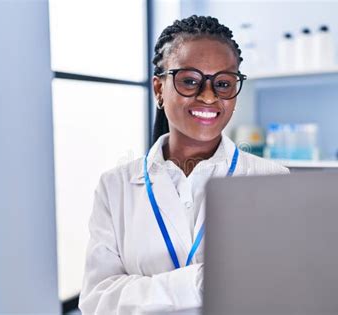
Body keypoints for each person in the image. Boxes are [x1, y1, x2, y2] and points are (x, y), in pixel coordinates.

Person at [79, 15, 289, 314]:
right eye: (189, 81)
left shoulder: (273, 180)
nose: (208, 96)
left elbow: (279, 289)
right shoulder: (116, 186)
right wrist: (203, 281)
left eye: (223, 83)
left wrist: (146, 290)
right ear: (159, 90)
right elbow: (98, 299)